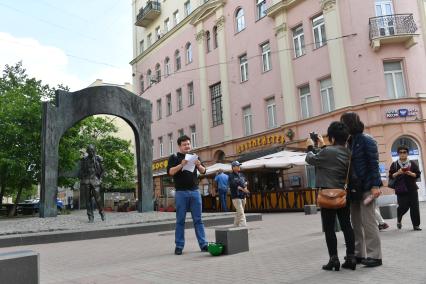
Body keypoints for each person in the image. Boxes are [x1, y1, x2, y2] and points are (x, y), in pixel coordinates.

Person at [305, 122, 356, 271]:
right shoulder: (348, 152)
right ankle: (351, 257)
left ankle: (334, 259)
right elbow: (328, 157)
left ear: (332, 137)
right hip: (342, 194)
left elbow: (311, 159)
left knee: (329, 228)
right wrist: (322, 145)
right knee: (347, 226)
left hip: (327, 195)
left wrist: (309, 147)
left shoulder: (327, 152)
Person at [340, 112, 383, 267]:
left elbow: (374, 164)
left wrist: (375, 185)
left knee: (368, 222)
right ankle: (359, 254)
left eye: (343, 124)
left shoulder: (367, 140)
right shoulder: (349, 142)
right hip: (353, 189)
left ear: (350, 124)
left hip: (366, 187)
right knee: (356, 223)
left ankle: (375, 256)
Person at [167, 135, 209, 255]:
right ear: (180, 146)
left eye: (189, 144)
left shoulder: (194, 157)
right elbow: (170, 172)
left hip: (195, 191)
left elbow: (203, 171)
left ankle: (203, 244)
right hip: (181, 192)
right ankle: (179, 246)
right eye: (185, 144)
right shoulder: (174, 157)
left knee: (198, 220)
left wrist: (198, 164)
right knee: (180, 220)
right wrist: (181, 164)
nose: (187, 146)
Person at [388, 145, 422, 231]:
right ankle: (399, 218)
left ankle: (416, 225)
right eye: (400, 152)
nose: (402, 154)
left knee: (415, 207)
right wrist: (398, 173)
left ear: (407, 153)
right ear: (398, 154)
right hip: (400, 189)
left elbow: (417, 174)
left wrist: (411, 173)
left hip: (412, 189)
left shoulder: (412, 163)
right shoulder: (395, 164)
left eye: (404, 152)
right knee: (403, 206)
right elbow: (391, 176)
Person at [79, 144, 105, 223]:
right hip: (86, 181)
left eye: (93, 151)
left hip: (95, 181)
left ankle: (102, 212)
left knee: (98, 199)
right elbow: (81, 171)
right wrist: (82, 178)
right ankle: (90, 217)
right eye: (90, 151)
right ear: (88, 151)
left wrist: (101, 179)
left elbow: (103, 171)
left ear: (94, 151)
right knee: (88, 200)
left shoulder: (98, 159)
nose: (92, 152)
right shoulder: (84, 160)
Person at [228, 161, 250, 227]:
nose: (239, 167)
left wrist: (245, 186)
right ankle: (243, 226)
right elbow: (235, 185)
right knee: (241, 212)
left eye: (239, 165)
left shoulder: (242, 174)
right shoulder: (231, 176)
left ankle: (235, 225)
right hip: (236, 197)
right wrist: (245, 189)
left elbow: (246, 182)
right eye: (237, 166)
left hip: (243, 196)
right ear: (233, 167)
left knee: (239, 211)